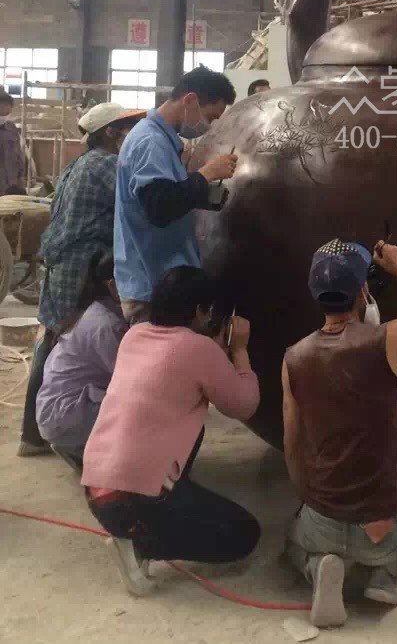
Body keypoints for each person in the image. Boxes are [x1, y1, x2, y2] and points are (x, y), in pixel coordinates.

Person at [283, 239, 397, 628]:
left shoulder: (294, 357)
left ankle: (317, 568)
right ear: (363, 291)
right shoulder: (388, 339)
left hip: (323, 522)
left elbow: (292, 443)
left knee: (292, 540)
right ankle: (385, 572)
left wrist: (309, 501)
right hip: (383, 530)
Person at [82, 265, 261, 597]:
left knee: (187, 422)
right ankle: (142, 544)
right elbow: (244, 404)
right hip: (134, 501)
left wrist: (213, 350)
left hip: (98, 489)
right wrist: (239, 351)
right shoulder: (200, 350)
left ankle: (147, 522)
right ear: (200, 311)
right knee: (244, 534)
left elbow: (176, 369)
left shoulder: (135, 335)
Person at [18, 102, 144, 458]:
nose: (133, 135)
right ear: (111, 133)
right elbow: (144, 202)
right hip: (80, 266)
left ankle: (33, 434)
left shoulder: (78, 163)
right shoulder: (106, 164)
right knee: (63, 341)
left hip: (63, 264)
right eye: (128, 128)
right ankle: (42, 432)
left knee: (56, 340)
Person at [114, 67, 238, 324]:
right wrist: (205, 174)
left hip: (165, 283)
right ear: (190, 100)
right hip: (153, 288)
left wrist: (205, 195)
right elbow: (159, 207)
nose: (209, 126)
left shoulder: (162, 140)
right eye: (210, 117)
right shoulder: (150, 142)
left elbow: (167, 194)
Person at [36, 251, 126, 468]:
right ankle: (86, 450)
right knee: (140, 408)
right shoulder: (106, 324)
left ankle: (80, 447)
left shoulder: (97, 310)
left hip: (57, 411)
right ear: (113, 286)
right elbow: (129, 381)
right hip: (63, 416)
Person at [0, 88, 25, 196]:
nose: (7, 111)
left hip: (11, 184)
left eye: (9, 107)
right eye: (3, 106)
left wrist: (21, 177)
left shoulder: (11, 128)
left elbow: (18, 154)